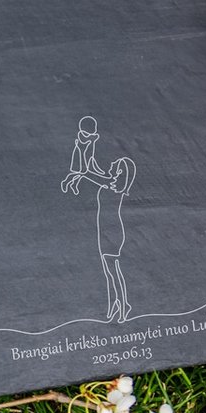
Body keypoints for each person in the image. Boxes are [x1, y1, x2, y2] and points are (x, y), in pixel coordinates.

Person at [61, 116, 137, 323]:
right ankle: (114, 303)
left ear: (121, 173)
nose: (111, 166)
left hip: (112, 233)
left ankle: (124, 305)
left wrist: (86, 148)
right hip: (105, 230)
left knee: (114, 270)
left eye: (115, 166)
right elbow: (91, 167)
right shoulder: (110, 183)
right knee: (108, 271)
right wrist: (89, 145)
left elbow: (87, 171)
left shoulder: (114, 187)